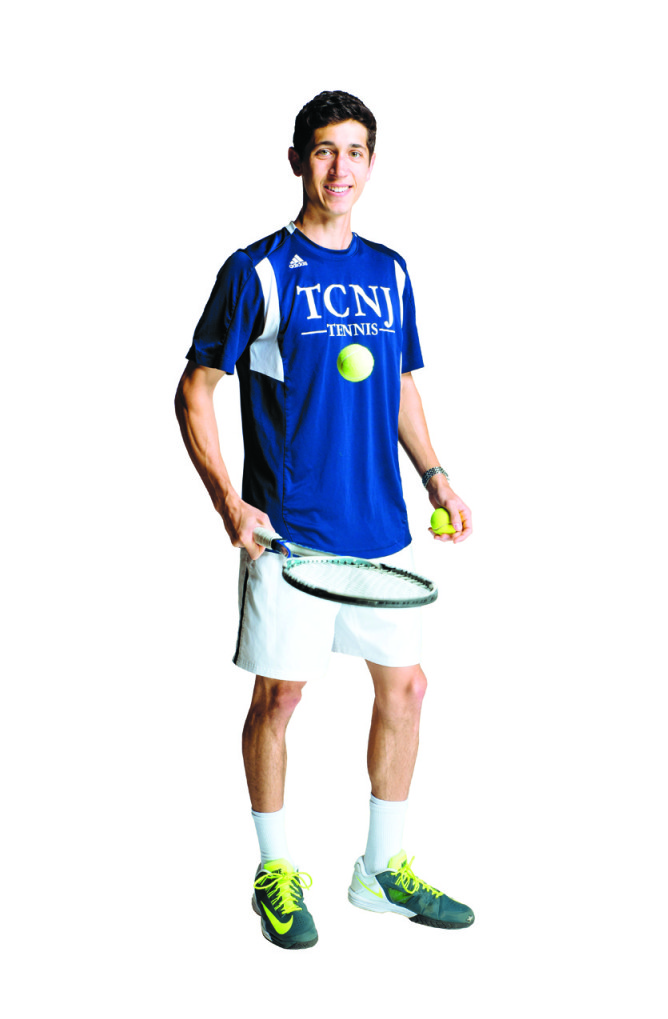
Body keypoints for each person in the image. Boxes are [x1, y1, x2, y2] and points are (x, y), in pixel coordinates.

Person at [175, 90, 474, 950]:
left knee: (408, 690)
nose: (340, 168)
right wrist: (228, 501)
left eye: (355, 152)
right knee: (280, 699)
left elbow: (400, 382)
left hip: (379, 528)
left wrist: (437, 477)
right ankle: (275, 870)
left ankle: (381, 872)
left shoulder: (391, 271)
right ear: (297, 160)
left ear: (371, 164)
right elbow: (195, 390)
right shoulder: (259, 271)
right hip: (291, 533)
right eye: (323, 150)